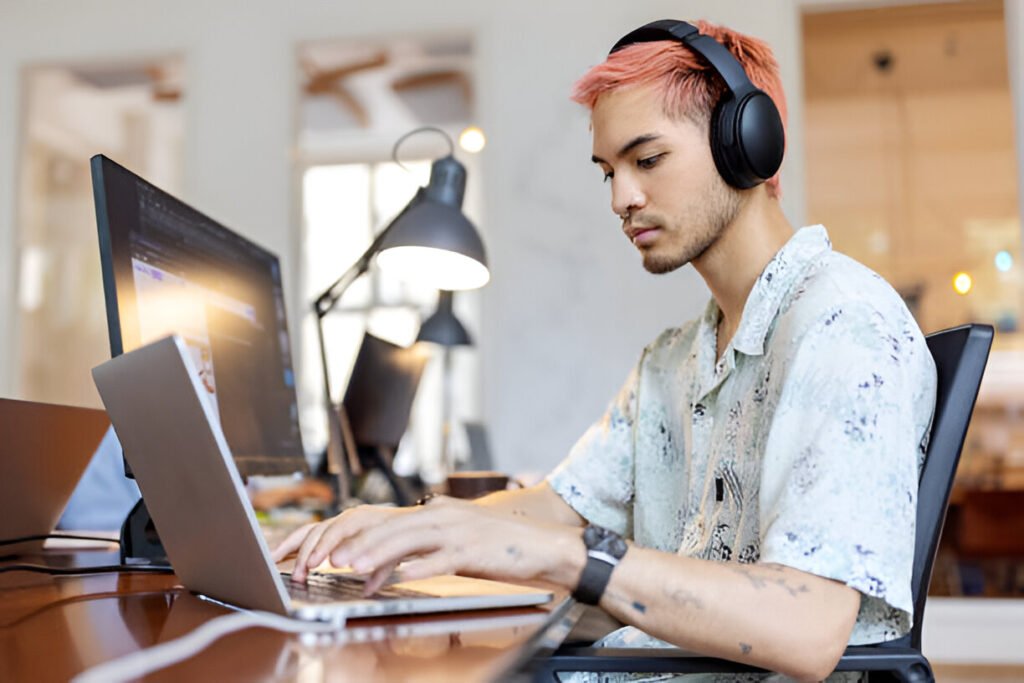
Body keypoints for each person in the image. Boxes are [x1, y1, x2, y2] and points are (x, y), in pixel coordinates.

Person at [273, 19, 937, 682]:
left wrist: (571, 555)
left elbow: (808, 625)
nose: (623, 197)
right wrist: (409, 525)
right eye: (608, 172)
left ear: (748, 145)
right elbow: (563, 505)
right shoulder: (674, 359)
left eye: (646, 160)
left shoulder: (842, 323)